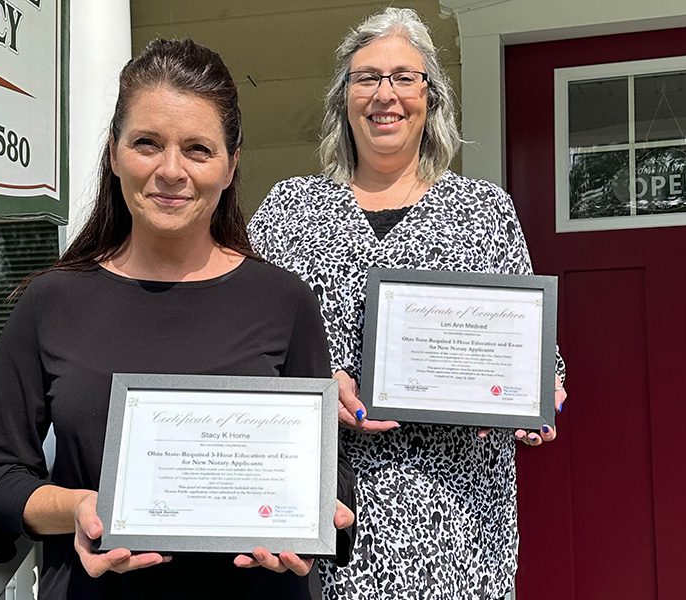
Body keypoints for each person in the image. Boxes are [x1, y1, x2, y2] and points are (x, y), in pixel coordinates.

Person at [0, 38, 355, 600]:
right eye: (147, 143)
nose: (171, 171)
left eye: (197, 149)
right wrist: (78, 508)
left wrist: (314, 523)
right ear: (114, 152)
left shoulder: (285, 303)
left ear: (230, 165)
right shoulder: (52, 302)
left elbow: (330, 479)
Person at [248, 8, 566, 600]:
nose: (384, 95)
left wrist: (542, 392)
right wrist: (318, 386)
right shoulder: (289, 210)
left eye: (403, 77)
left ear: (432, 98)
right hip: (323, 508)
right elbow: (244, 349)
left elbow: (534, 352)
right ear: (343, 100)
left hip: (460, 517)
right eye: (366, 78)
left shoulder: (484, 212)